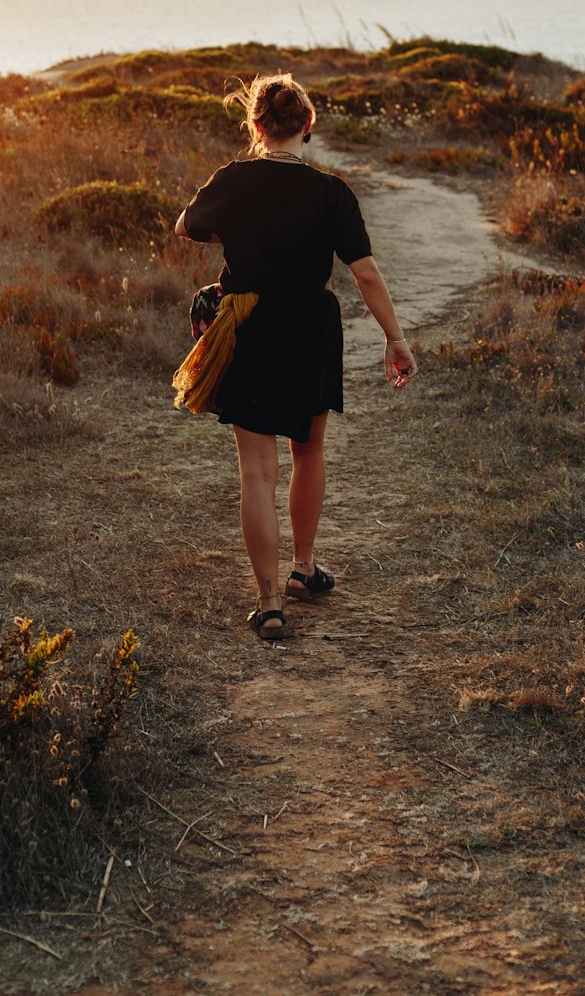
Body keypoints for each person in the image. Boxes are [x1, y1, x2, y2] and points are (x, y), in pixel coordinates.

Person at [174, 72, 417, 641]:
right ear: (307, 125)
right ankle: (304, 570)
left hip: (251, 326)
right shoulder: (331, 192)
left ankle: (268, 604)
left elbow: (187, 224)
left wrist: (233, 233)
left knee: (257, 473)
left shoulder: (233, 179)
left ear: (255, 126)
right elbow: (364, 272)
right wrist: (394, 337)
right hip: (311, 327)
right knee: (308, 454)